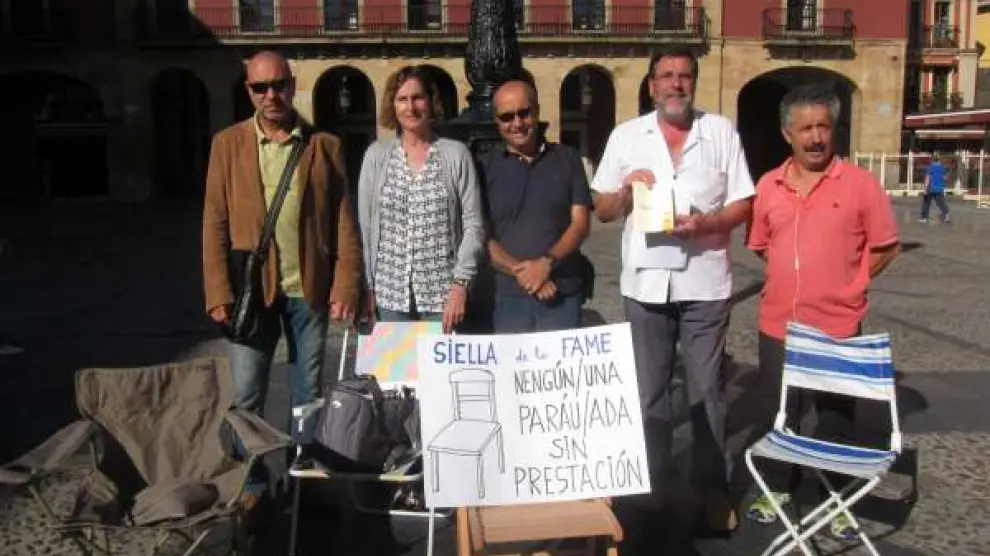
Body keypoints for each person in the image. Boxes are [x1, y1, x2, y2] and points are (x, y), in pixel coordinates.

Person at [590, 48, 755, 531]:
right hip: (645, 285)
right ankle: (651, 487)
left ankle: (712, 490)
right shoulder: (626, 136)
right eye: (666, 76)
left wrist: (709, 223)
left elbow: (743, 202)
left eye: (684, 76)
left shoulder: (720, 132)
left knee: (707, 391)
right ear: (651, 85)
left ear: (693, 83)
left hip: (705, 282)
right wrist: (624, 192)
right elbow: (602, 208)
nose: (676, 84)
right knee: (649, 392)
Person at [202, 51, 363, 503]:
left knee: (307, 393)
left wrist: (346, 283)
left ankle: (301, 481)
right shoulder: (227, 144)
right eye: (260, 87)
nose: (271, 95)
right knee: (246, 396)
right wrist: (217, 290)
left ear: (292, 85)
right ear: (248, 90)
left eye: (279, 85)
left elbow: (343, 221)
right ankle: (251, 485)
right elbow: (214, 221)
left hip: (308, 288)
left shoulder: (323, 145)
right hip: (250, 294)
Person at [745, 83, 900, 541]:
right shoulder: (768, 185)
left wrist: (851, 282)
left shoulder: (860, 184)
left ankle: (836, 498)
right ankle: (776, 488)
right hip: (779, 325)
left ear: (834, 131)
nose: (816, 137)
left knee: (836, 418)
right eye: (806, 128)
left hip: (837, 325)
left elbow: (886, 246)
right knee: (778, 410)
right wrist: (791, 276)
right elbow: (761, 245)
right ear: (786, 133)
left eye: (823, 127)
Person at [356, 65, 484, 333]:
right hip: (390, 296)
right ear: (393, 105)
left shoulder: (456, 154)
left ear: (430, 101)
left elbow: (474, 225)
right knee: (398, 364)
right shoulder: (376, 156)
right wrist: (368, 287)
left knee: (441, 363)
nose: (410, 107)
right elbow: (366, 229)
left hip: (443, 298)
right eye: (402, 99)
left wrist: (461, 284)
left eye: (417, 98)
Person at [480, 79, 592, 333]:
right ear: (496, 121)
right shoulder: (483, 168)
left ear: (537, 111)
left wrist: (546, 264)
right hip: (505, 298)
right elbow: (481, 236)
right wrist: (527, 274)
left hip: (562, 293)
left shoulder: (568, 158)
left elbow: (580, 224)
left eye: (524, 113)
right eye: (507, 117)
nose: (517, 123)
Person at [920, 154, 950, 223]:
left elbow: (927, 178)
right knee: (941, 203)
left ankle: (924, 218)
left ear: (932, 160)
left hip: (930, 188)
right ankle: (946, 217)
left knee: (926, 203)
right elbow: (945, 178)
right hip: (939, 188)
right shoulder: (942, 168)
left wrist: (925, 189)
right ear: (939, 160)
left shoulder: (930, 167)